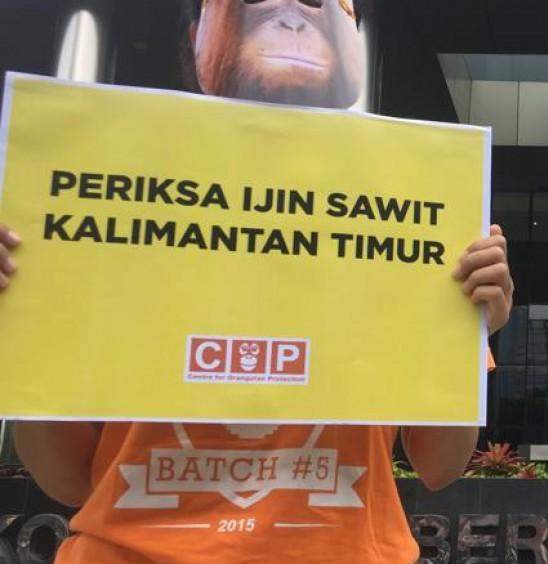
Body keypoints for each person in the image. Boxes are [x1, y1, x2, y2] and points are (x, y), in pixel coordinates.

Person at [3, 0, 513, 561]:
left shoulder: (412, 215)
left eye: (317, 4)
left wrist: (468, 335)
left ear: (352, 41)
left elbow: (439, 466)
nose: (291, 17)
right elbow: (66, 477)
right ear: (199, 35)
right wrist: (24, 313)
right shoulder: (100, 200)